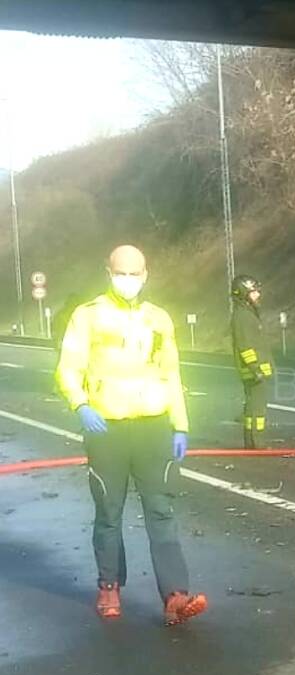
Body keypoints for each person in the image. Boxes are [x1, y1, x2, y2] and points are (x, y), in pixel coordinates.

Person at [56, 245, 207, 625]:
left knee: (161, 509)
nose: (128, 280)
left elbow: (171, 374)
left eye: (134, 273)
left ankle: (175, 594)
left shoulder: (158, 319)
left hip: (153, 427)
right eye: (121, 273)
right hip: (106, 427)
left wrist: (180, 423)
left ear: (146, 274)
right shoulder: (87, 316)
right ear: (108, 272)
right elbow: (67, 368)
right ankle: (109, 585)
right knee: (109, 511)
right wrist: (80, 405)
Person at [230, 274, 274, 449]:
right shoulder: (243, 317)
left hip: (255, 370)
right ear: (243, 294)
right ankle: (258, 443)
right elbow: (245, 346)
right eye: (254, 292)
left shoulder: (247, 315)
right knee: (258, 409)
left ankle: (250, 441)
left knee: (251, 408)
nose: (258, 295)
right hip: (255, 371)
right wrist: (255, 368)